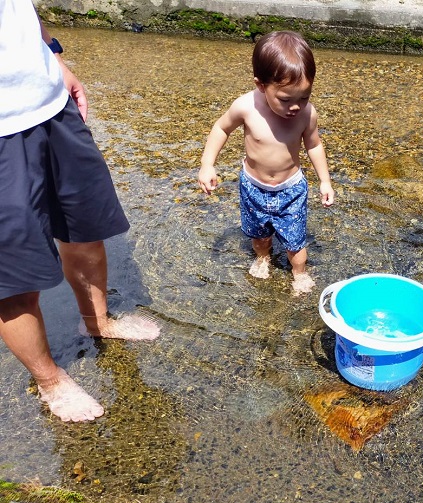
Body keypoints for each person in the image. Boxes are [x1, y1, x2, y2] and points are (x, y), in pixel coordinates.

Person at [0, 0, 160, 423]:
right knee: (12, 272)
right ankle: (49, 378)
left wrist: (52, 54)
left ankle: (97, 321)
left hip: (50, 103)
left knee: (85, 225)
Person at [198, 30, 334, 295]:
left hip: (291, 190)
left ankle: (299, 273)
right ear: (261, 85)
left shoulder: (306, 114)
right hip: (253, 187)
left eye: (304, 97)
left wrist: (325, 181)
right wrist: (207, 163)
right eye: (286, 99)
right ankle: (263, 258)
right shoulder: (246, 107)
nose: (296, 106)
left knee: (295, 241)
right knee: (259, 235)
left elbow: (314, 145)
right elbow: (221, 129)